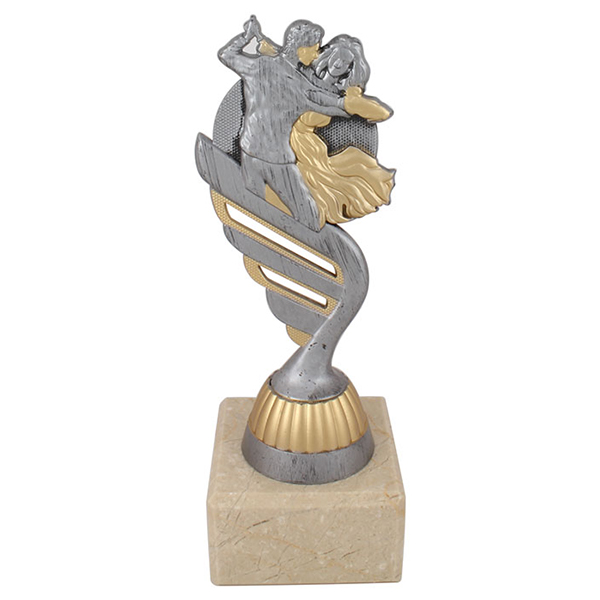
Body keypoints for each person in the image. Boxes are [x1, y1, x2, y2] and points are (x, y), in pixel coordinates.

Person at [218, 16, 351, 231]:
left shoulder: (258, 65)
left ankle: (260, 235)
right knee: (310, 217)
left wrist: (247, 36)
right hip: (277, 161)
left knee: (253, 209)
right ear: (301, 50)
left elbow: (226, 54)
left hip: (249, 152)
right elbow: (327, 104)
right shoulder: (298, 84)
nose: (317, 55)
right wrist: (348, 106)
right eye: (315, 50)